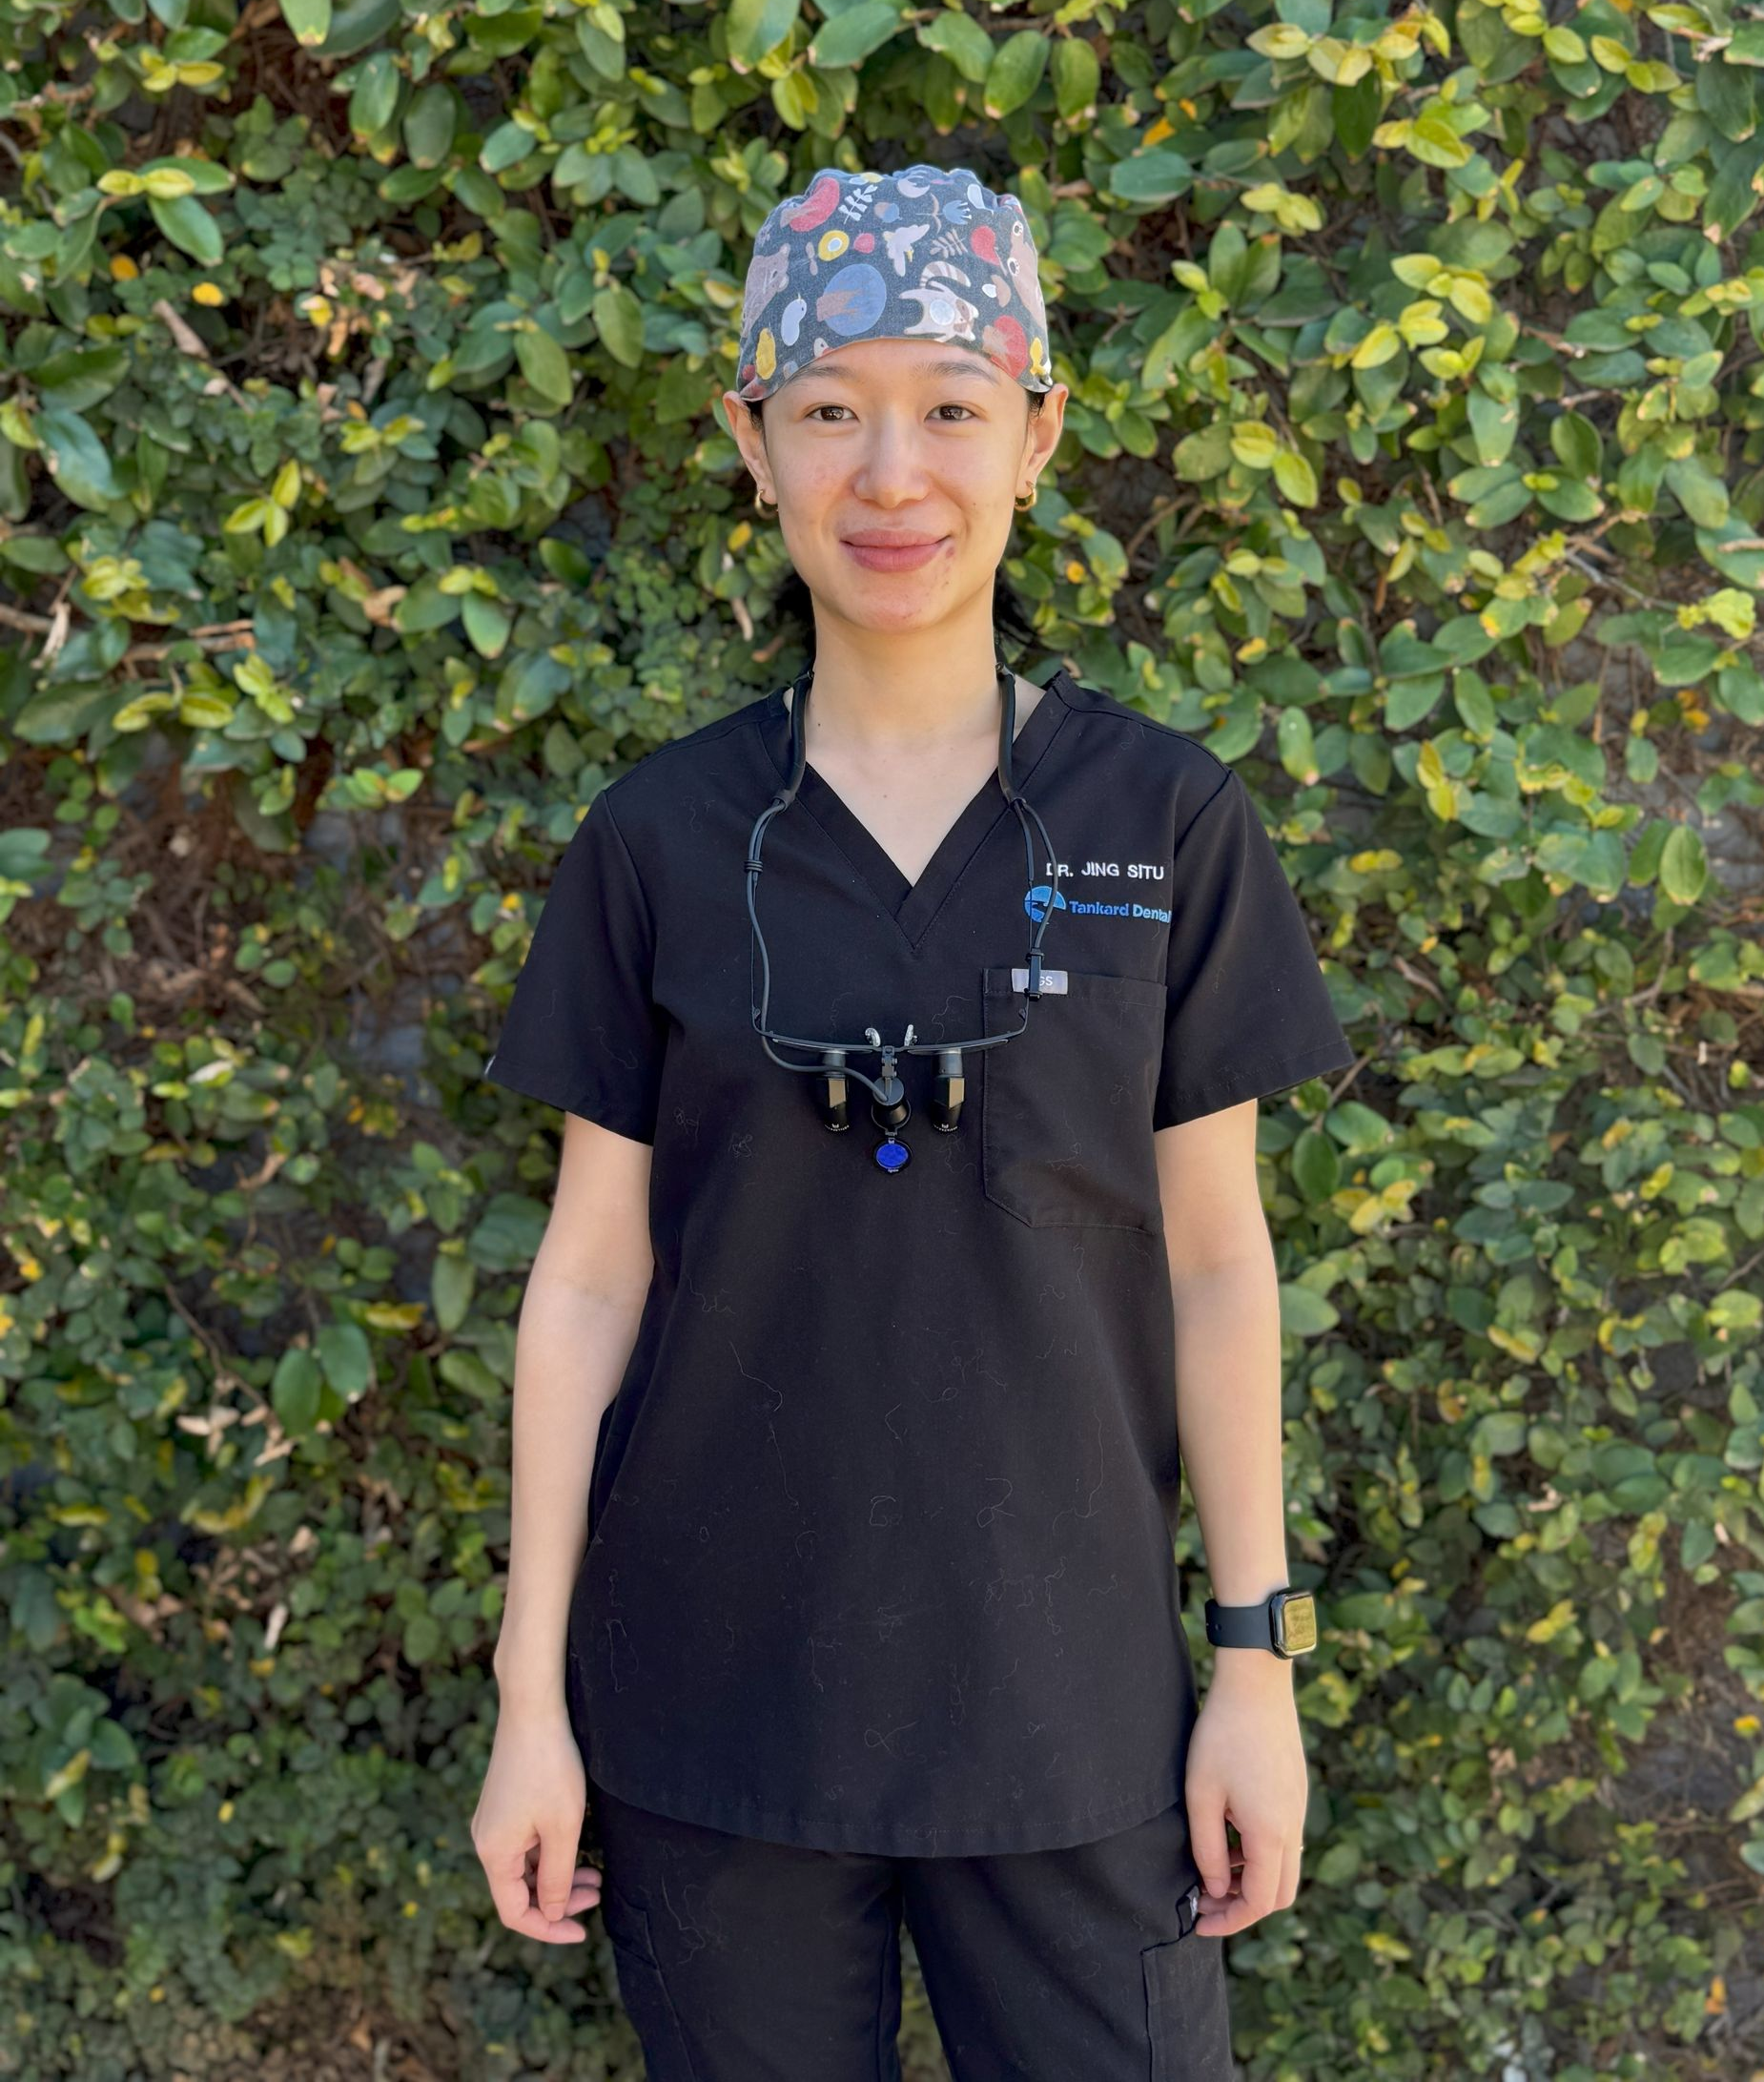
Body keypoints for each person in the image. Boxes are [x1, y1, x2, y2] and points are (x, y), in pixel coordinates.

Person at [470, 161, 1357, 2080]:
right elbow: (589, 1278)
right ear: (753, 445)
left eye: (950, 406)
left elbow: (1218, 1264)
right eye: (828, 408)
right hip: (717, 1728)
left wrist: (1255, 1665)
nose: (893, 475)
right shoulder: (659, 841)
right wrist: (529, 1693)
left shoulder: (1163, 821)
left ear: (1035, 434)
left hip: (1075, 1724)